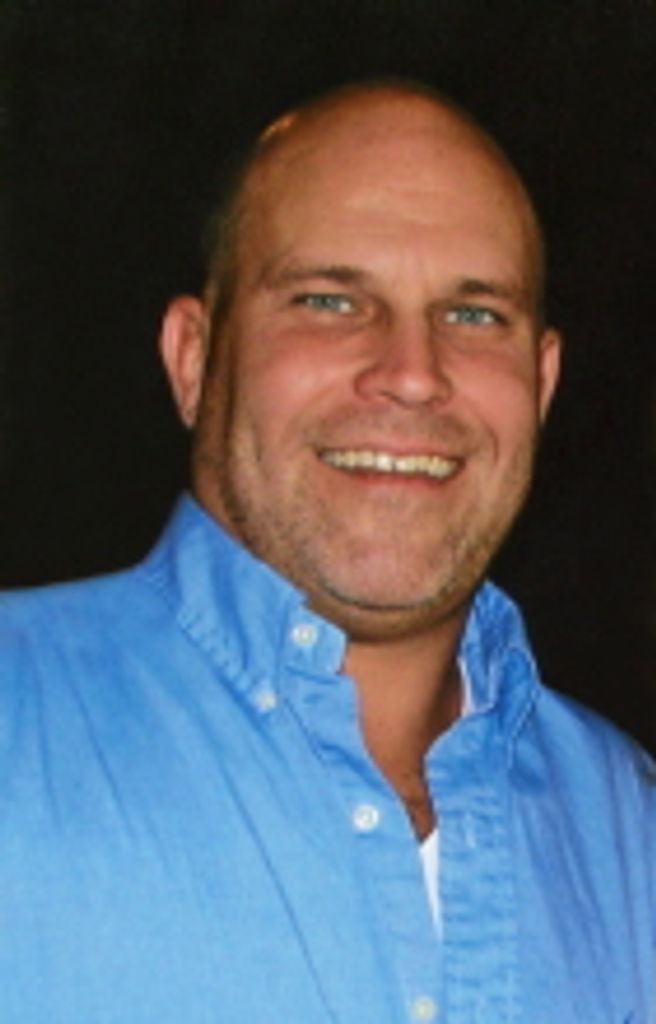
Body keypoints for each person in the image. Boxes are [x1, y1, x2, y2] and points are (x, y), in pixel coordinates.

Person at [0, 79, 654, 1023]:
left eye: (474, 315)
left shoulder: (627, 824)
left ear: (542, 384)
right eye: (329, 300)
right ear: (195, 360)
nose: (413, 374)